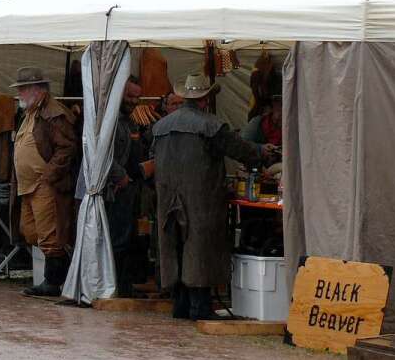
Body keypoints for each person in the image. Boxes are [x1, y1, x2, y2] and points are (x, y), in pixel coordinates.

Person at [151, 72, 276, 320]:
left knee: (174, 246)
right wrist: (262, 152)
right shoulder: (210, 125)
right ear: (205, 98)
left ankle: (181, 306)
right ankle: (200, 308)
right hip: (200, 197)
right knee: (200, 248)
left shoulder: (161, 126)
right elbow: (239, 149)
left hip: (167, 196)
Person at [9, 67, 78, 297]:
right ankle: (59, 275)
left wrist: (49, 176)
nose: (19, 93)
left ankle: (53, 281)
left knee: (50, 235)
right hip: (29, 184)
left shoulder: (54, 113)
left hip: (44, 183)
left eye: (23, 89)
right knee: (29, 231)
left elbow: (67, 148)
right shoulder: (31, 112)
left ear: (38, 90)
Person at [106, 77, 146, 298]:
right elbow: (100, 153)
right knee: (117, 240)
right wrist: (119, 176)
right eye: (130, 96)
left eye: (137, 97)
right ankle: (117, 287)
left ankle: (124, 285)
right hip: (114, 190)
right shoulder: (110, 120)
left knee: (128, 239)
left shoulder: (131, 122)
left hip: (129, 189)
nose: (134, 101)